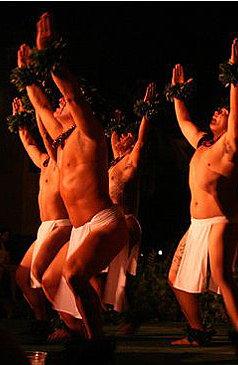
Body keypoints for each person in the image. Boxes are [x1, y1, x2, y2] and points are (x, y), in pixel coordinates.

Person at [19, 13, 128, 352]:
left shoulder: (89, 133)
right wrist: (27, 74)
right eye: (60, 104)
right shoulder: (61, 139)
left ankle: (97, 343)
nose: (60, 104)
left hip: (105, 223)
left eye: (64, 102)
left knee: (76, 275)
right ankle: (81, 333)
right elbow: (40, 103)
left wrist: (49, 57)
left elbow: (73, 94)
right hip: (81, 228)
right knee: (50, 279)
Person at [167, 39, 238, 353]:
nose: (217, 112)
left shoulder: (230, 147)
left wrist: (235, 77)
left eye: (223, 111)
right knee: (175, 277)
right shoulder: (204, 143)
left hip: (221, 220)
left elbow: (237, 111)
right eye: (218, 109)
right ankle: (196, 331)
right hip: (197, 223)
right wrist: (177, 94)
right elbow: (183, 121)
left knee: (221, 273)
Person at [11, 98, 72, 339]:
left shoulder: (64, 159)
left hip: (62, 225)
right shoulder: (46, 161)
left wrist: (38, 109)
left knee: (42, 274)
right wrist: (21, 123)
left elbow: (48, 134)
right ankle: (41, 320)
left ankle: (65, 322)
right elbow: (29, 144)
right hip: (44, 228)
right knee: (21, 276)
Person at [105, 84, 154, 333]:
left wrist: (145, 112)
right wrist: (116, 122)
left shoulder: (130, 164)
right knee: (110, 272)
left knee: (121, 274)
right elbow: (113, 137)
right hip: (112, 222)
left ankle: (130, 317)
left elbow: (141, 140)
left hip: (126, 222)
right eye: (123, 136)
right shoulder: (114, 161)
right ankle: (122, 315)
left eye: (128, 137)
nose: (124, 137)